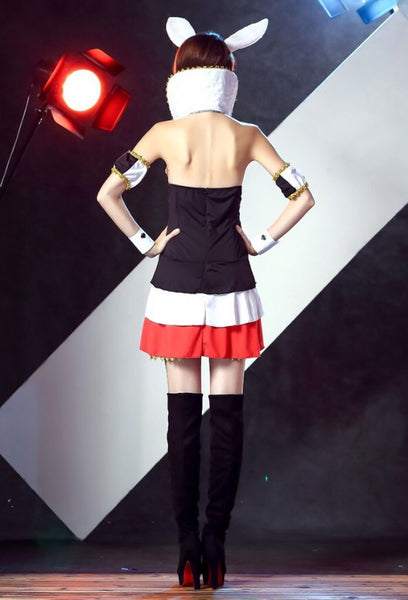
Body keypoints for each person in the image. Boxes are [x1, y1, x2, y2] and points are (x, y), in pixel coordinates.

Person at [97, 16, 315, 590]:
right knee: (228, 420)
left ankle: (187, 548)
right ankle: (216, 543)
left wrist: (145, 242)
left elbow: (109, 192)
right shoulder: (248, 135)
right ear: (229, 76)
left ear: (180, 75)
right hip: (232, 284)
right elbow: (302, 195)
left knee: (182, 423)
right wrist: (261, 240)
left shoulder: (163, 135)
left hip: (174, 284)